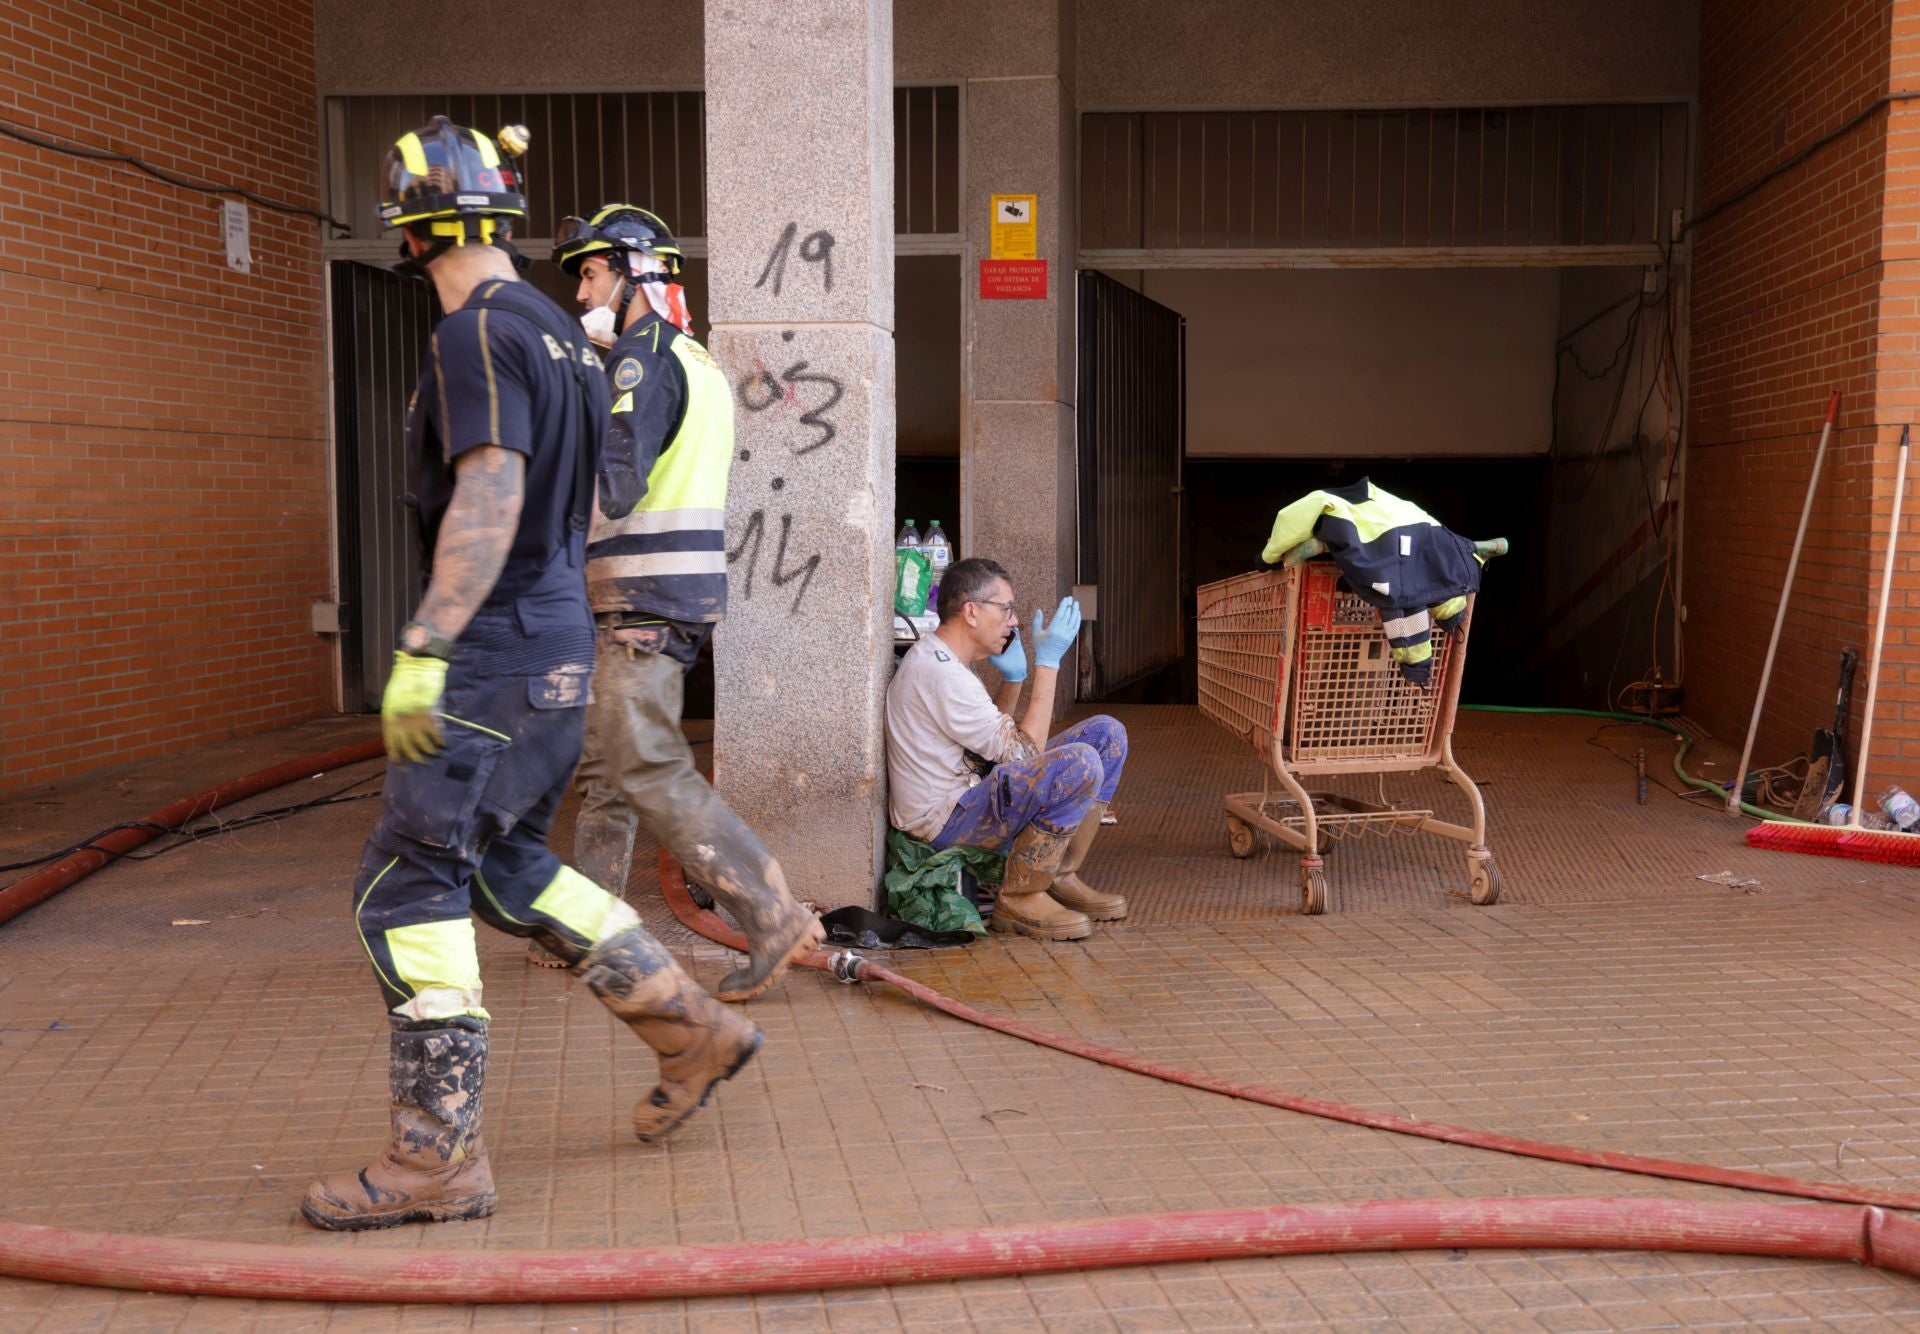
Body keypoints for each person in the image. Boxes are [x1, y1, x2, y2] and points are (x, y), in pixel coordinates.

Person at [303, 120, 760, 1233]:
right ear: (502, 215)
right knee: (507, 864)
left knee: (405, 884)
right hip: (558, 639)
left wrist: (424, 645)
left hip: (493, 650)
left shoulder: (474, 333)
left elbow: (492, 490)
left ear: (409, 230)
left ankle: (437, 1155)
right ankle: (692, 1025)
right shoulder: (560, 330)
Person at [535, 203, 825, 997]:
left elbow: (616, 483)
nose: (581, 291)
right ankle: (584, 928)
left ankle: (773, 916)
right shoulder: (690, 358)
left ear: (633, 274)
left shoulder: (642, 361)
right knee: (606, 766)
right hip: (657, 593)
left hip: (647, 596)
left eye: (591, 272)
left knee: (648, 764)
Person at [884, 557, 1130, 940]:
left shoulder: (947, 661)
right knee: (1078, 763)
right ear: (970, 611)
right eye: (1006, 608)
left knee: (1106, 735)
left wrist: (1014, 679)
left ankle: (1058, 874)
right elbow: (1024, 755)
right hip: (943, 822)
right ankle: (1020, 896)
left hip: (966, 796)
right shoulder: (942, 673)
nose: (1013, 621)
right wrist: (1047, 666)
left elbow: (990, 747)